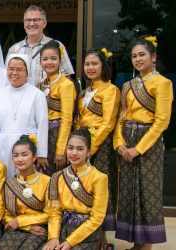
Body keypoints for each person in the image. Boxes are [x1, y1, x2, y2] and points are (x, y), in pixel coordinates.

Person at [114, 36, 172, 249]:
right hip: (127, 141)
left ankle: (147, 244)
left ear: (153, 57)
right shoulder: (128, 86)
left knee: (147, 193)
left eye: (142, 55)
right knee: (129, 191)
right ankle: (137, 242)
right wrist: (119, 144)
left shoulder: (163, 83)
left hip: (148, 144)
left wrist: (137, 149)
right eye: (134, 56)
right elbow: (121, 117)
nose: (138, 59)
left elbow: (162, 121)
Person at [75, 48, 120, 234]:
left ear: (104, 66)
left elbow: (108, 123)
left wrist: (90, 149)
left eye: (95, 63)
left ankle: (102, 238)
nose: (90, 68)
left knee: (100, 186)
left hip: (100, 146)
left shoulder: (111, 90)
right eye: (87, 64)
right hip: (83, 144)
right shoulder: (85, 91)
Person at [43, 128, 108, 250]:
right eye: (70, 148)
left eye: (80, 149)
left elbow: (97, 218)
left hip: (87, 233)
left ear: (89, 151)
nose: (74, 153)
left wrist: (70, 242)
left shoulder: (99, 178)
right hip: (62, 228)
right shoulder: (57, 177)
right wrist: (53, 238)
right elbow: (54, 212)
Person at [0, 54, 48, 177]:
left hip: (27, 148)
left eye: (19, 69)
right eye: (11, 69)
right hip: (3, 146)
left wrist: (41, 153)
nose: (14, 73)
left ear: (27, 72)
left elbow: (42, 124)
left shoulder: (37, 94)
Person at [0, 134, 50, 250]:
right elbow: (6, 215)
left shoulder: (47, 181)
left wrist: (20, 220)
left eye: (24, 155)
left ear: (34, 157)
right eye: (16, 155)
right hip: (16, 230)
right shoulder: (9, 183)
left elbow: (51, 214)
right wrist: (26, 226)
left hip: (40, 230)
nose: (20, 159)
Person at [7, 5, 74, 84]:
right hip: (21, 95)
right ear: (24, 23)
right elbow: (8, 78)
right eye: (28, 20)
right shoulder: (14, 49)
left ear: (44, 23)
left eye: (36, 20)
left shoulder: (57, 46)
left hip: (49, 96)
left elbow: (66, 77)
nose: (31, 24)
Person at [37, 40, 76, 175]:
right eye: (45, 59)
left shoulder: (66, 84)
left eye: (53, 58)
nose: (49, 62)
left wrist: (60, 149)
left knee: (56, 175)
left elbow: (67, 119)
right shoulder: (41, 85)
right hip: (42, 135)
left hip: (57, 134)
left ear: (60, 60)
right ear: (40, 62)